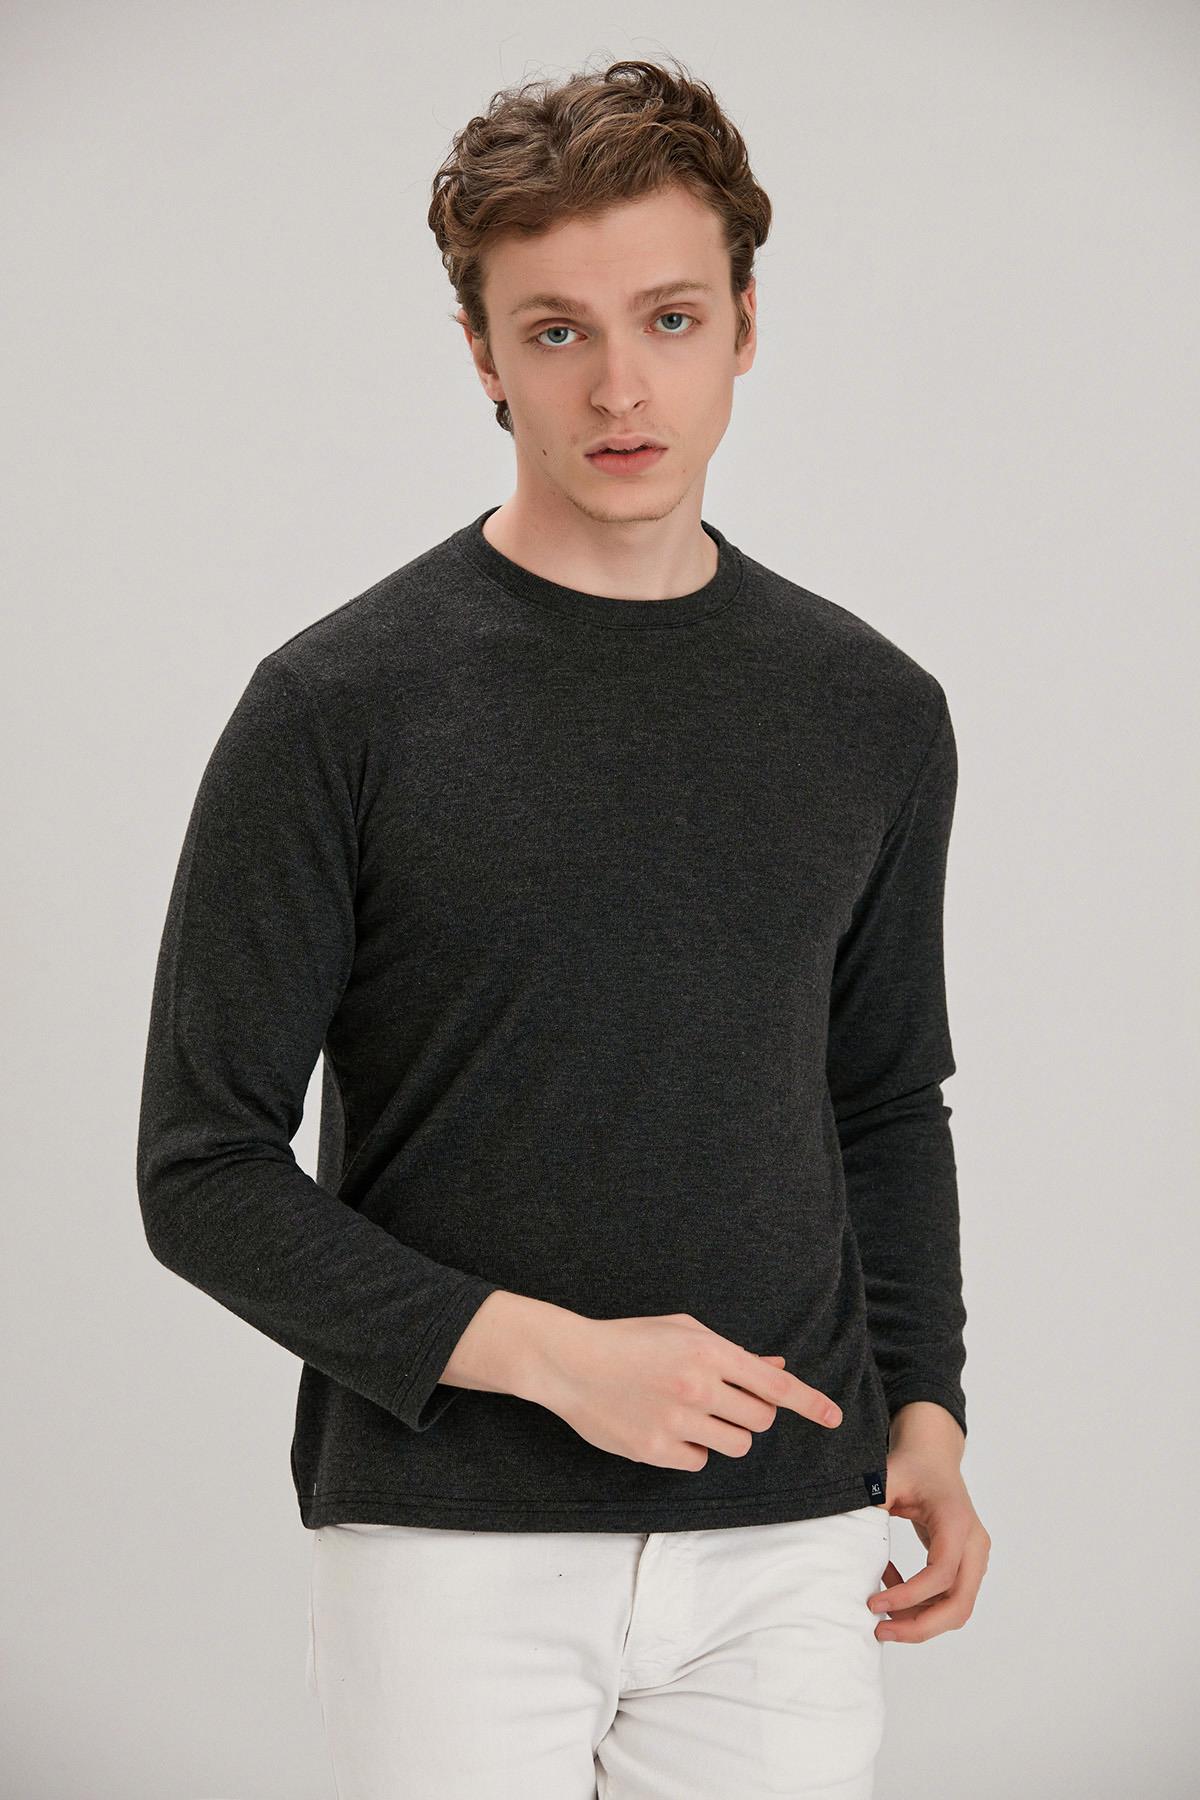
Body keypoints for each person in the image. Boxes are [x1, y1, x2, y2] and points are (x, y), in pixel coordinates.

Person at [136, 55, 990, 1800]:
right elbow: (201, 1169)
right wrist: (556, 1362)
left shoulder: (872, 710)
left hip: (787, 1535)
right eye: (554, 331)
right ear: (482, 354)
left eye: (670, 318)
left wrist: (928, 1409)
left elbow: (886, 1098)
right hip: (451, 1539)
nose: (620, 385)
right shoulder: (334, 710)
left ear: (744, 326)